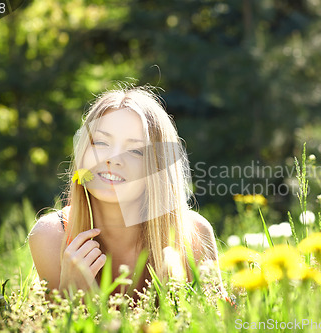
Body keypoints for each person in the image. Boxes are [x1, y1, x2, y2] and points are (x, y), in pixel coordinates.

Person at [28, 86, 223, 299]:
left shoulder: (193, 234)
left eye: (135, 150)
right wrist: (71, 296)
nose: (113, 158)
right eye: (101, 142)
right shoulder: (50, 237)